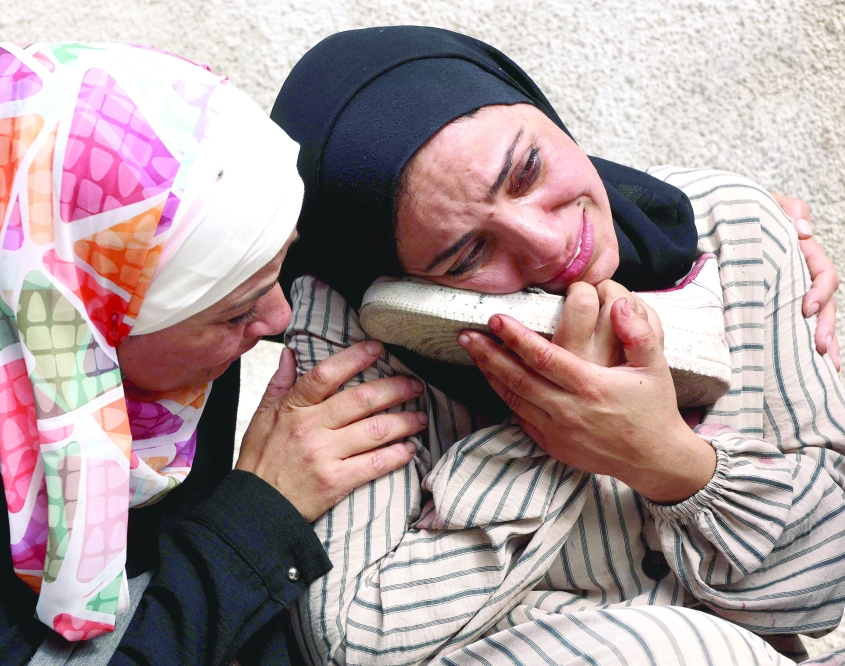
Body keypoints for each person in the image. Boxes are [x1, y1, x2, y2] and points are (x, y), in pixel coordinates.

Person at [270, 26, 845, 665]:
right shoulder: (357, 325)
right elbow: (352, 642)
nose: (545, 245)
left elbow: (826, 587)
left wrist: (671, 463)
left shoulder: (735, 227)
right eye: (467, 255)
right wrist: (551, 430)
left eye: (528, 170)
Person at [0, 43, 430, 665]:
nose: (279, 319)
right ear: (89, 331)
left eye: (281, 263)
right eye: (237, 312)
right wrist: (261, 511)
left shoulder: (105, 249)